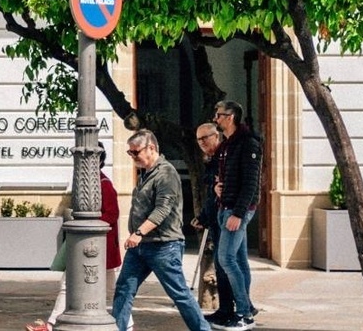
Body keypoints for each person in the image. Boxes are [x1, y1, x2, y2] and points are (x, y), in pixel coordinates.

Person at [111, 129, 210, 331]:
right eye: (130, 153)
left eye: (135, 152)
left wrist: (138, 233)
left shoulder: (166, 173)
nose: (132, 157)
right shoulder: (146, 173)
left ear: (151, 148)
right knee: (124, 289)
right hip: (141, 247)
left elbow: (162, 209)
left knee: (179, 293)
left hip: (164, 246)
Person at [25, 144, 122, 331]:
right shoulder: (89, 184)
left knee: (111, 290)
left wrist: (87, 223)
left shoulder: (105, 186)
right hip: (90, 246)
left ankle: (127, 325)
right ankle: (51, 324)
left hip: (101, 248)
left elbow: (112, 214)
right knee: (70, 285)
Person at [211, 101, 264, 330]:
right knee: (239, 261)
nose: (216, 118)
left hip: (236, 211)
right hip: (226, 207)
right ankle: (246, 307)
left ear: (230, 117)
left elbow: (251, 183)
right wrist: (218, 189)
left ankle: (244, 314)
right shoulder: (227, 145)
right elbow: (226, 176)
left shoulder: (248, 143)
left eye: (219, 115)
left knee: (226, 260)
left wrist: (239, 214)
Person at [193, 122, 237, 327]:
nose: (201, 143)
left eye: (205, 138)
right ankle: (225, 309)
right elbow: (212, 194)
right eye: (199, 140)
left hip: (227, 217)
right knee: (221, 267)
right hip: (216, 217)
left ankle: (239, 309)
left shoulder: (225, 157)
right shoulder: (212, 160)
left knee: (228, 265)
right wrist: (203, 217)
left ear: (216, 136)